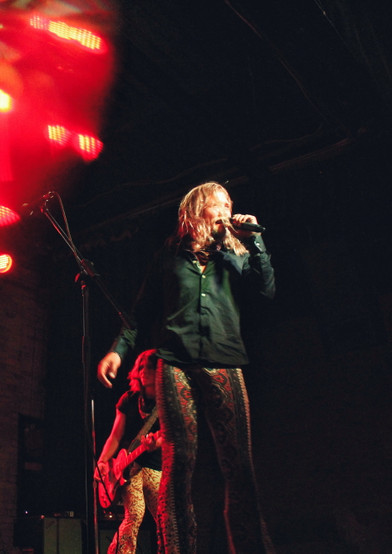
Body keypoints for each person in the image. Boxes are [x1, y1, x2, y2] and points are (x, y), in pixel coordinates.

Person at [97, 181, 276, 554]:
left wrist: (255, 240)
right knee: (178, 467)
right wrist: (118, 351)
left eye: (230, 202)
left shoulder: (236, 254)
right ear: (197, 210)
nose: (228, 209)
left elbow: (265, 291)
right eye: (220, 203)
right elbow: (140, 311)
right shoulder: (168, 257)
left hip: (224, 362)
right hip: (174, 364)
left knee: (238, 467)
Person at [95, 349, 162, 554]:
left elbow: (171, 434)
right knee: (134, 515)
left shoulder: (168, 402)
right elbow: (115, 436)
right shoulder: (129, 399)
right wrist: (102, 462)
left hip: (156, 467)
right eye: (140, 367)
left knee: (165, 518)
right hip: (128, 468)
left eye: (149, 367)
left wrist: (156, 443)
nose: (144, 371)